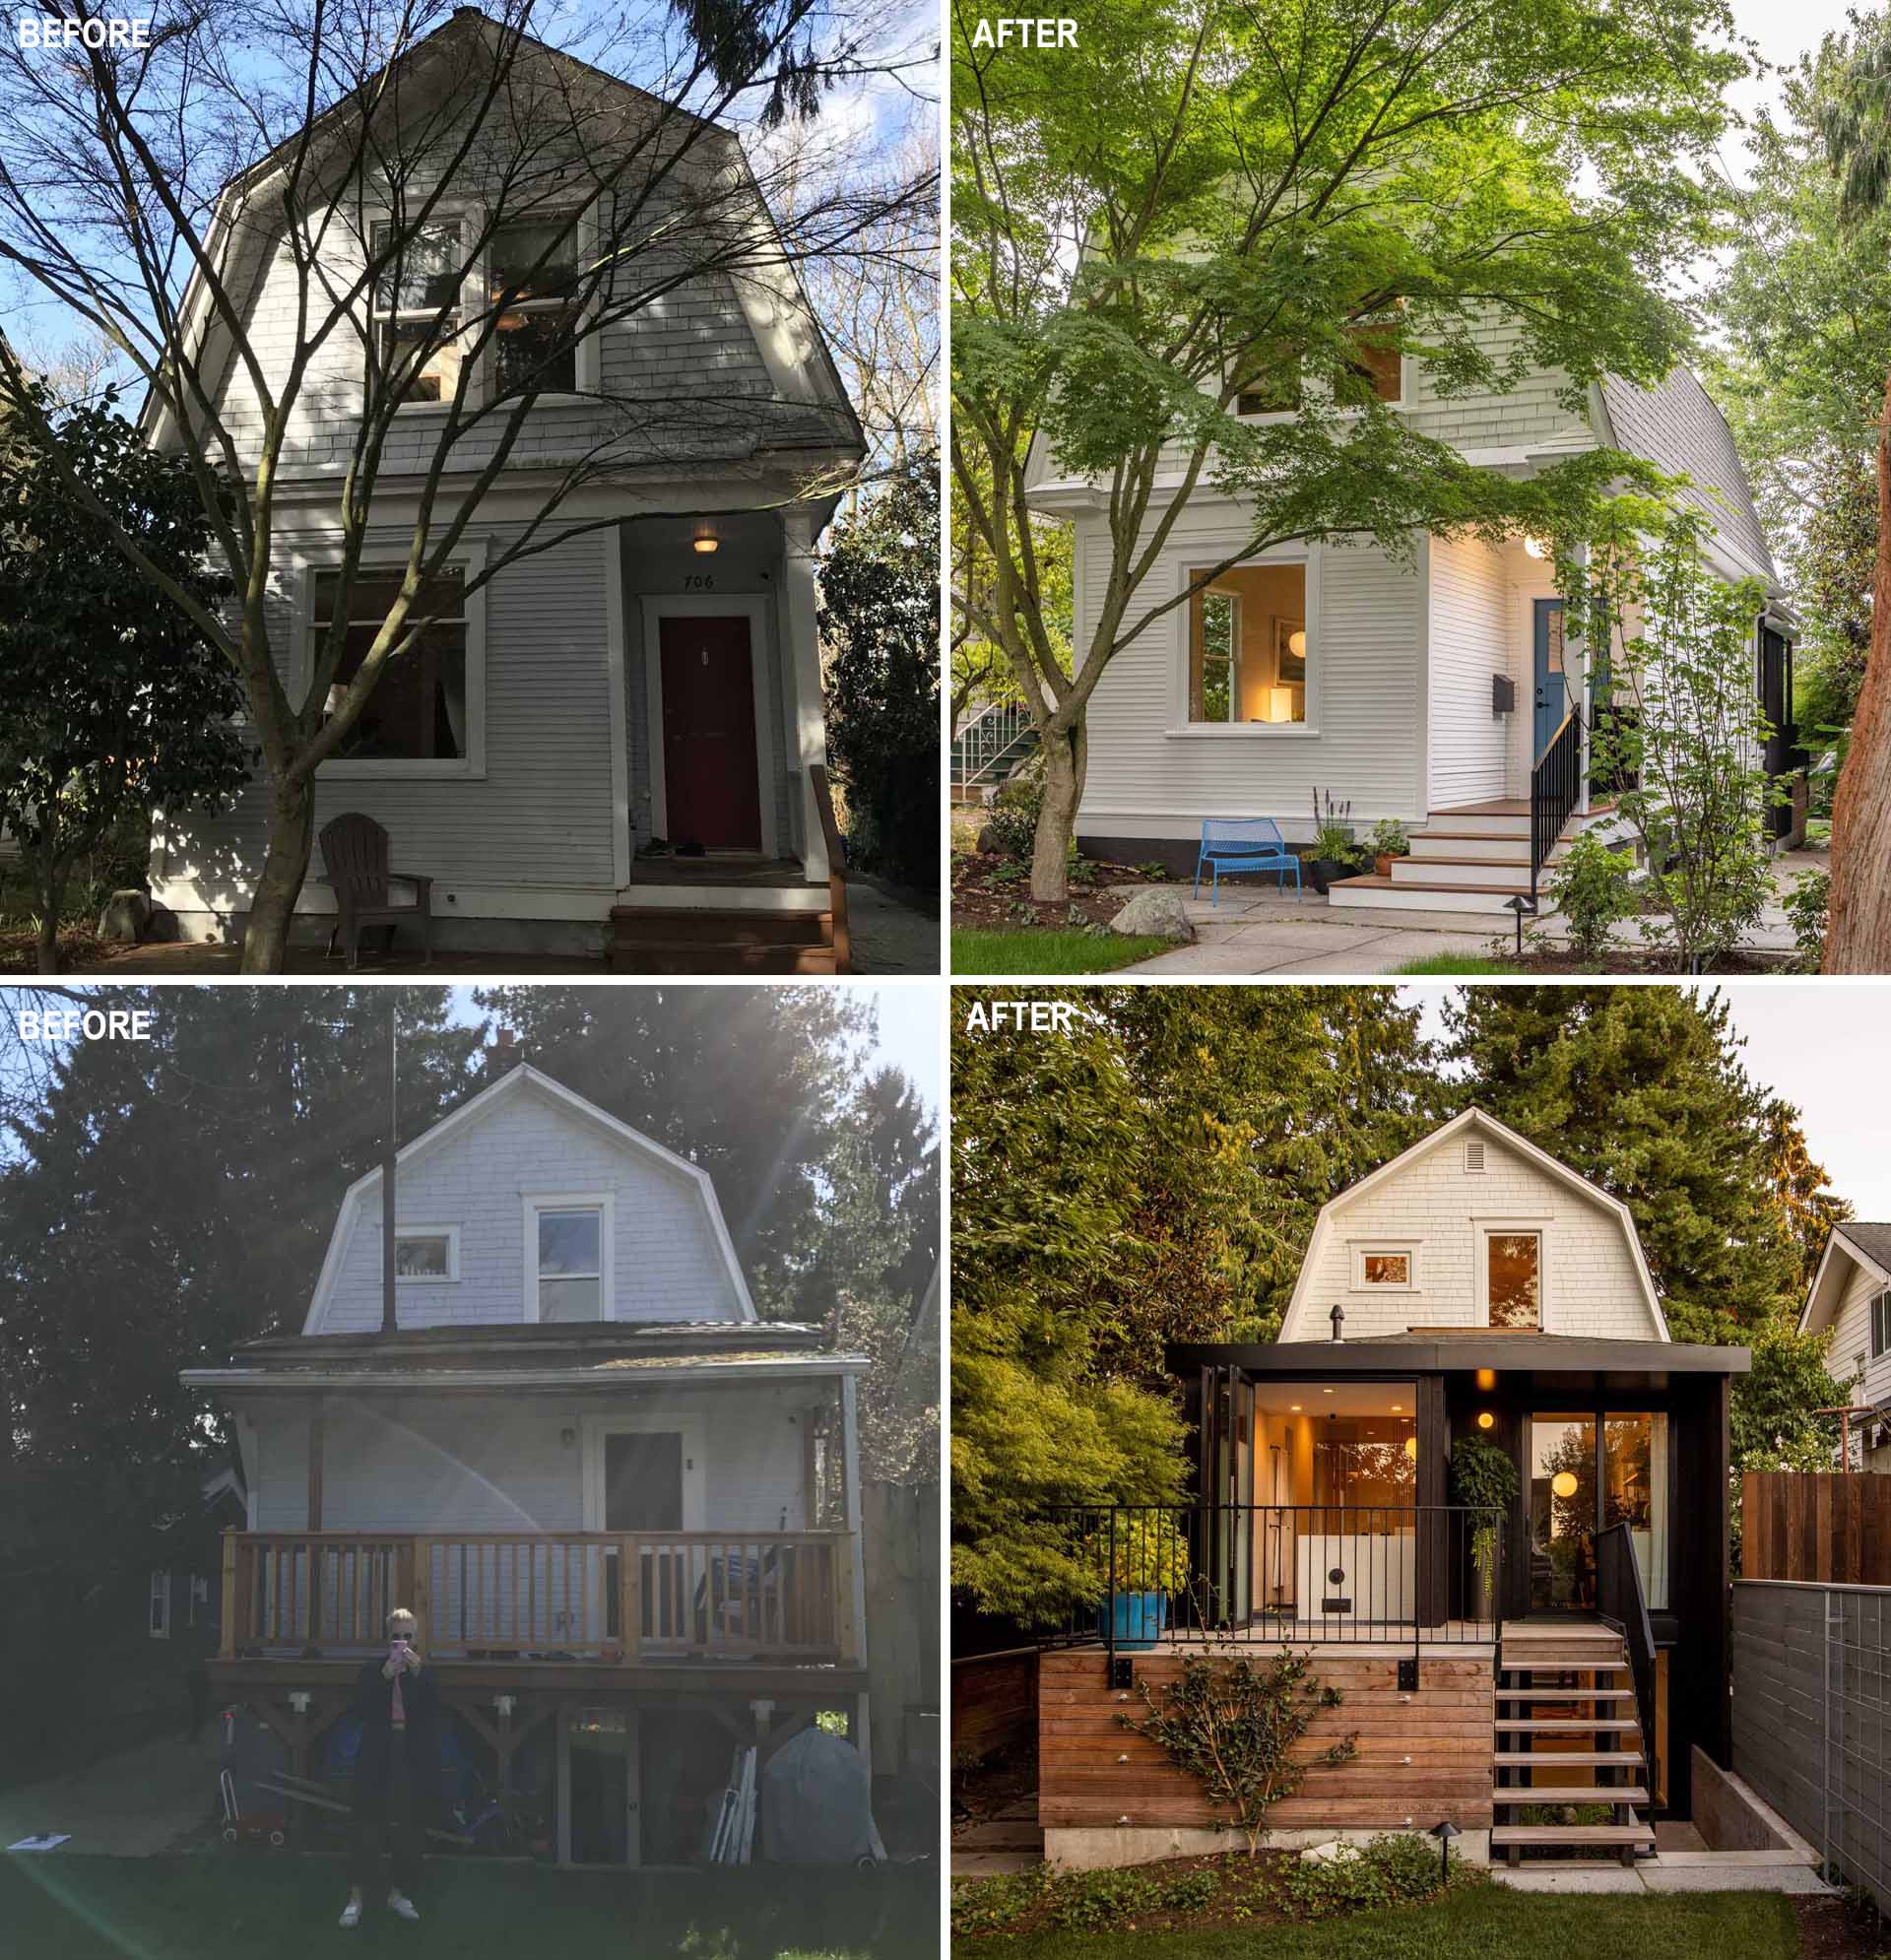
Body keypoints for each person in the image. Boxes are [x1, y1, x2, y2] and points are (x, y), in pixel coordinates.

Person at [339, 1607, 437, 1928]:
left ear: (416, 1639)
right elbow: (358, 1709)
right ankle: (357, 1897)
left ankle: (401, 1893)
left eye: (408, 1636)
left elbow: (434, 1712)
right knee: (366, 1822)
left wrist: (420, 1674)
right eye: (396, 1636)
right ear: (388, 1639)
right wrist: (383, 1675)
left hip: (410, 1753)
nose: (402, 1643)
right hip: (377, 1751)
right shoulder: (371, 1670)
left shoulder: (423, 1672)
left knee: (410, 1824)